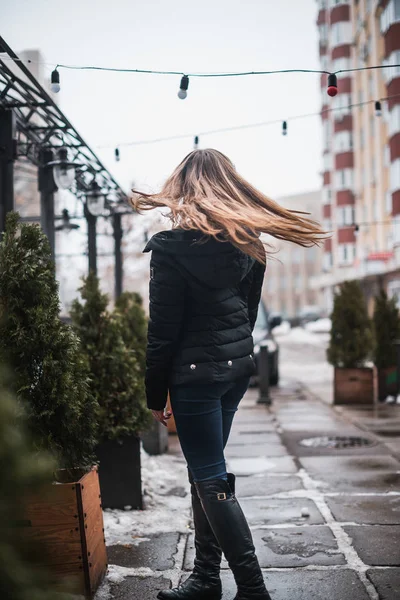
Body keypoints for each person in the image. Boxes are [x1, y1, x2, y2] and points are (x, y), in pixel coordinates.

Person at [133, 149, 325, 600]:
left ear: (184, 186)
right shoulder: (248, 243)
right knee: (207, 473)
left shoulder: (170, 249)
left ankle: (252, 588)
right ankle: (204, 577)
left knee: (209, 474)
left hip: (194, 376)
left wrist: (153, 392)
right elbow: (248, 312)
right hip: (235, 372)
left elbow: (162, 329)